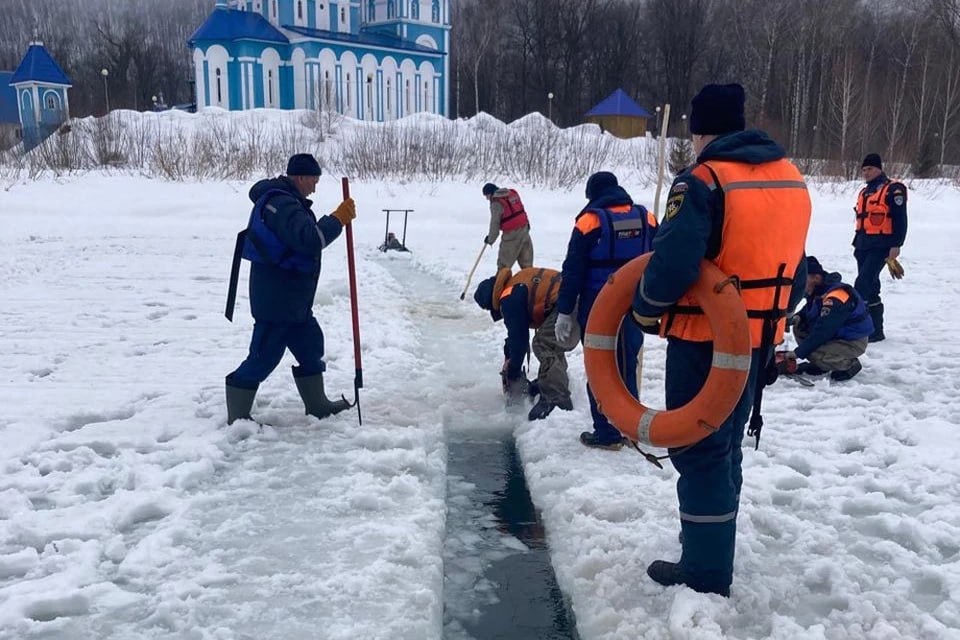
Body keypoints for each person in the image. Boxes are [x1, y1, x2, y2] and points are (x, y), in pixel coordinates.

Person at [629, 84, 810, 596]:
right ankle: (712, 552)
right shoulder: (791, 178)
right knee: (726, 449)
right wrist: (771, 324)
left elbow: (674, 261)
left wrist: (644, 310)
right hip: (757, 342)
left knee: (699, 450)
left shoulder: (704, 180)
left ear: (700, 131)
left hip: (703, 342)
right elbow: (796, 269)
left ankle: (705, 575)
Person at [225, 153, 356, 424]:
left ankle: (317, 404)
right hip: (276, 297)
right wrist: (337, 219)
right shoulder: (280, 205)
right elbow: (309, 240)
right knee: (265, 354)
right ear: (300, 177)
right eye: (313, 181)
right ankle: (238, 417)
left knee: (310, 345)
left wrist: (336, 220)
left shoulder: (288, 201)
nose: (315, 187)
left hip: (293, 298)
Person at [554, 171, 658, 450]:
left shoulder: (589, 222)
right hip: (635, 304)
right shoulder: (646, 217)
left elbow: (573, 270)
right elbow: (660, 256)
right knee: (627, 363)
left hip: (597, 305)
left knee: (600, 366)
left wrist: (565, 311)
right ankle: (629, 426)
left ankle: (607, 432)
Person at [473, 267, 579, 421]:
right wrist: (509, 350)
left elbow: (519, 341)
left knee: (544, 343)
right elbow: (517, 331)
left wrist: (513, 371)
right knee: (550, 341)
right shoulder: (516, 283)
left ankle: (556, 398)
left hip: (568, 302)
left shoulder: (509, 297)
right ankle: (551, 383)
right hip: (572, 297)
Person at [780, 256, 873, 381]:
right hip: (836, 336)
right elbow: (809, 310)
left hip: (852, 341)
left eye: (802, 278)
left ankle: (848, 364)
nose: (799, 283)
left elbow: (823, 331)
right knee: (800, 326)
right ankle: (821, 364)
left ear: (816, 278)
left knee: (812, 352)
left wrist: (797, 353)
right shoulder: (817, 291)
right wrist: (796, 317)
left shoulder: (836, 297)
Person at [853, 153, 907, 342]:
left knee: (861, 285)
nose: (866, 173)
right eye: (864, 170)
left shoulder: (893, 189)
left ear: (879, 168)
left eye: (870, 169)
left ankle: (856, 326)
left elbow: (900, 219)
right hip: (862, 245)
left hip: (881, 246)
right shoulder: (865, 192)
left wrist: (896, 245)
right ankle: (875, 331)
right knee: (871, 287)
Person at [482, 183, 534, 270]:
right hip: (524, 229)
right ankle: (529, 281)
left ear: (490, 193)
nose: (487, 199)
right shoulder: (512, 194)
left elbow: (495, 223)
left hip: (511, 235)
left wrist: (490, 239)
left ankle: (500, 282)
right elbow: (521, 209)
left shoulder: (496, 202)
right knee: (527, 266)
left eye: (486, 196)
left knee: (503, 266)